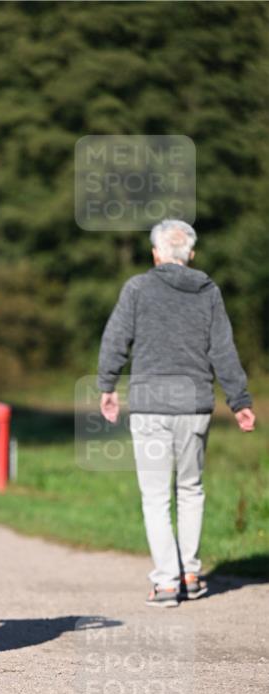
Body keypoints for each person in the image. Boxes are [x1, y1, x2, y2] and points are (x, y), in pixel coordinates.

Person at [97, 219, 255, 607]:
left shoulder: (137, 287)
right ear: (192, 255)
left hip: (151, 405)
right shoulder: (209, 290)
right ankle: (190, 572)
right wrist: (240, 401)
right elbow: (223, 349)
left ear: (155, 254)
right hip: (195, 405)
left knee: (155, 497)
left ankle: (167, 582)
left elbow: (116, 339)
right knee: (191, 489)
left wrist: (106, 386)